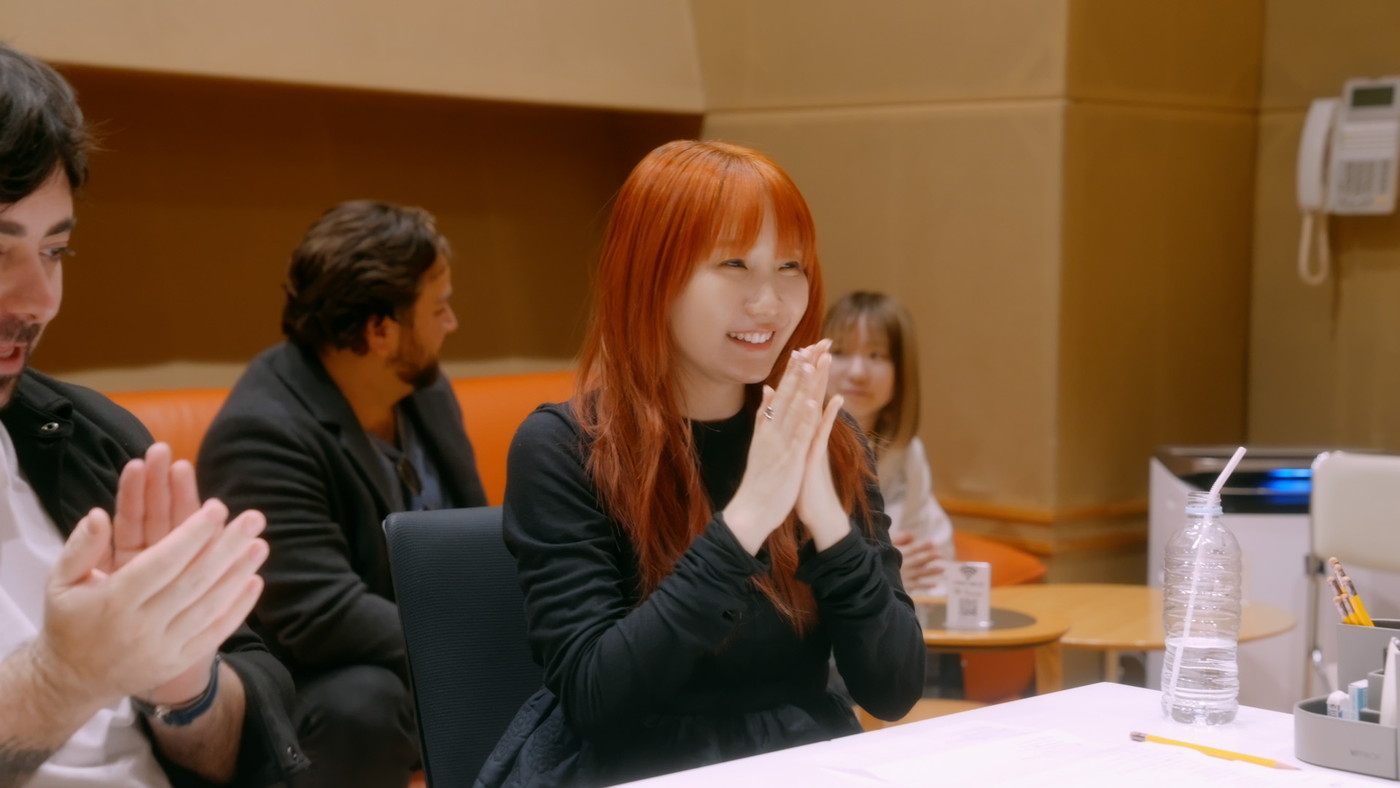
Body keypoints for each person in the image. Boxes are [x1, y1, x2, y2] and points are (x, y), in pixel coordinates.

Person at [481, 140, 924, 787]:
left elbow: (894, 689)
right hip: (631, 768)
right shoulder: (566, 446)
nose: (769, 303)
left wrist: (827, 519)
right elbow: (598, 701)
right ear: (651, 275)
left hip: (795, 762)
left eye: (791, 267)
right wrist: (749, 517)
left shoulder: (825, 436)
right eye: (734, 264)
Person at [0, 42, 305, 786]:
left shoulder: (92, 436)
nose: (40, 300)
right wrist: (61, 681)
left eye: (55, 251)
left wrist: (185, 688)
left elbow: (246, 733)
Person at [197, 201, 488, 788]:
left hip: (423, 658)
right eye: (439, 307)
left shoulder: (423, 390)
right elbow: (322, 615)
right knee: (365, 702)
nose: (452, 323)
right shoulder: (261, 433)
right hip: (318, 688)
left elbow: (477, 539)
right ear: (380, 331)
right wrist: (478, 647)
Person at [824, 291, 955, 596]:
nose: (857, 373)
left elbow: (933, 565)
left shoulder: (907, 453)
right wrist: (882, 575)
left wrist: (891, 579)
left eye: (876, 355)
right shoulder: (794, 445)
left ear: (901, 371)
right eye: (840, 351)